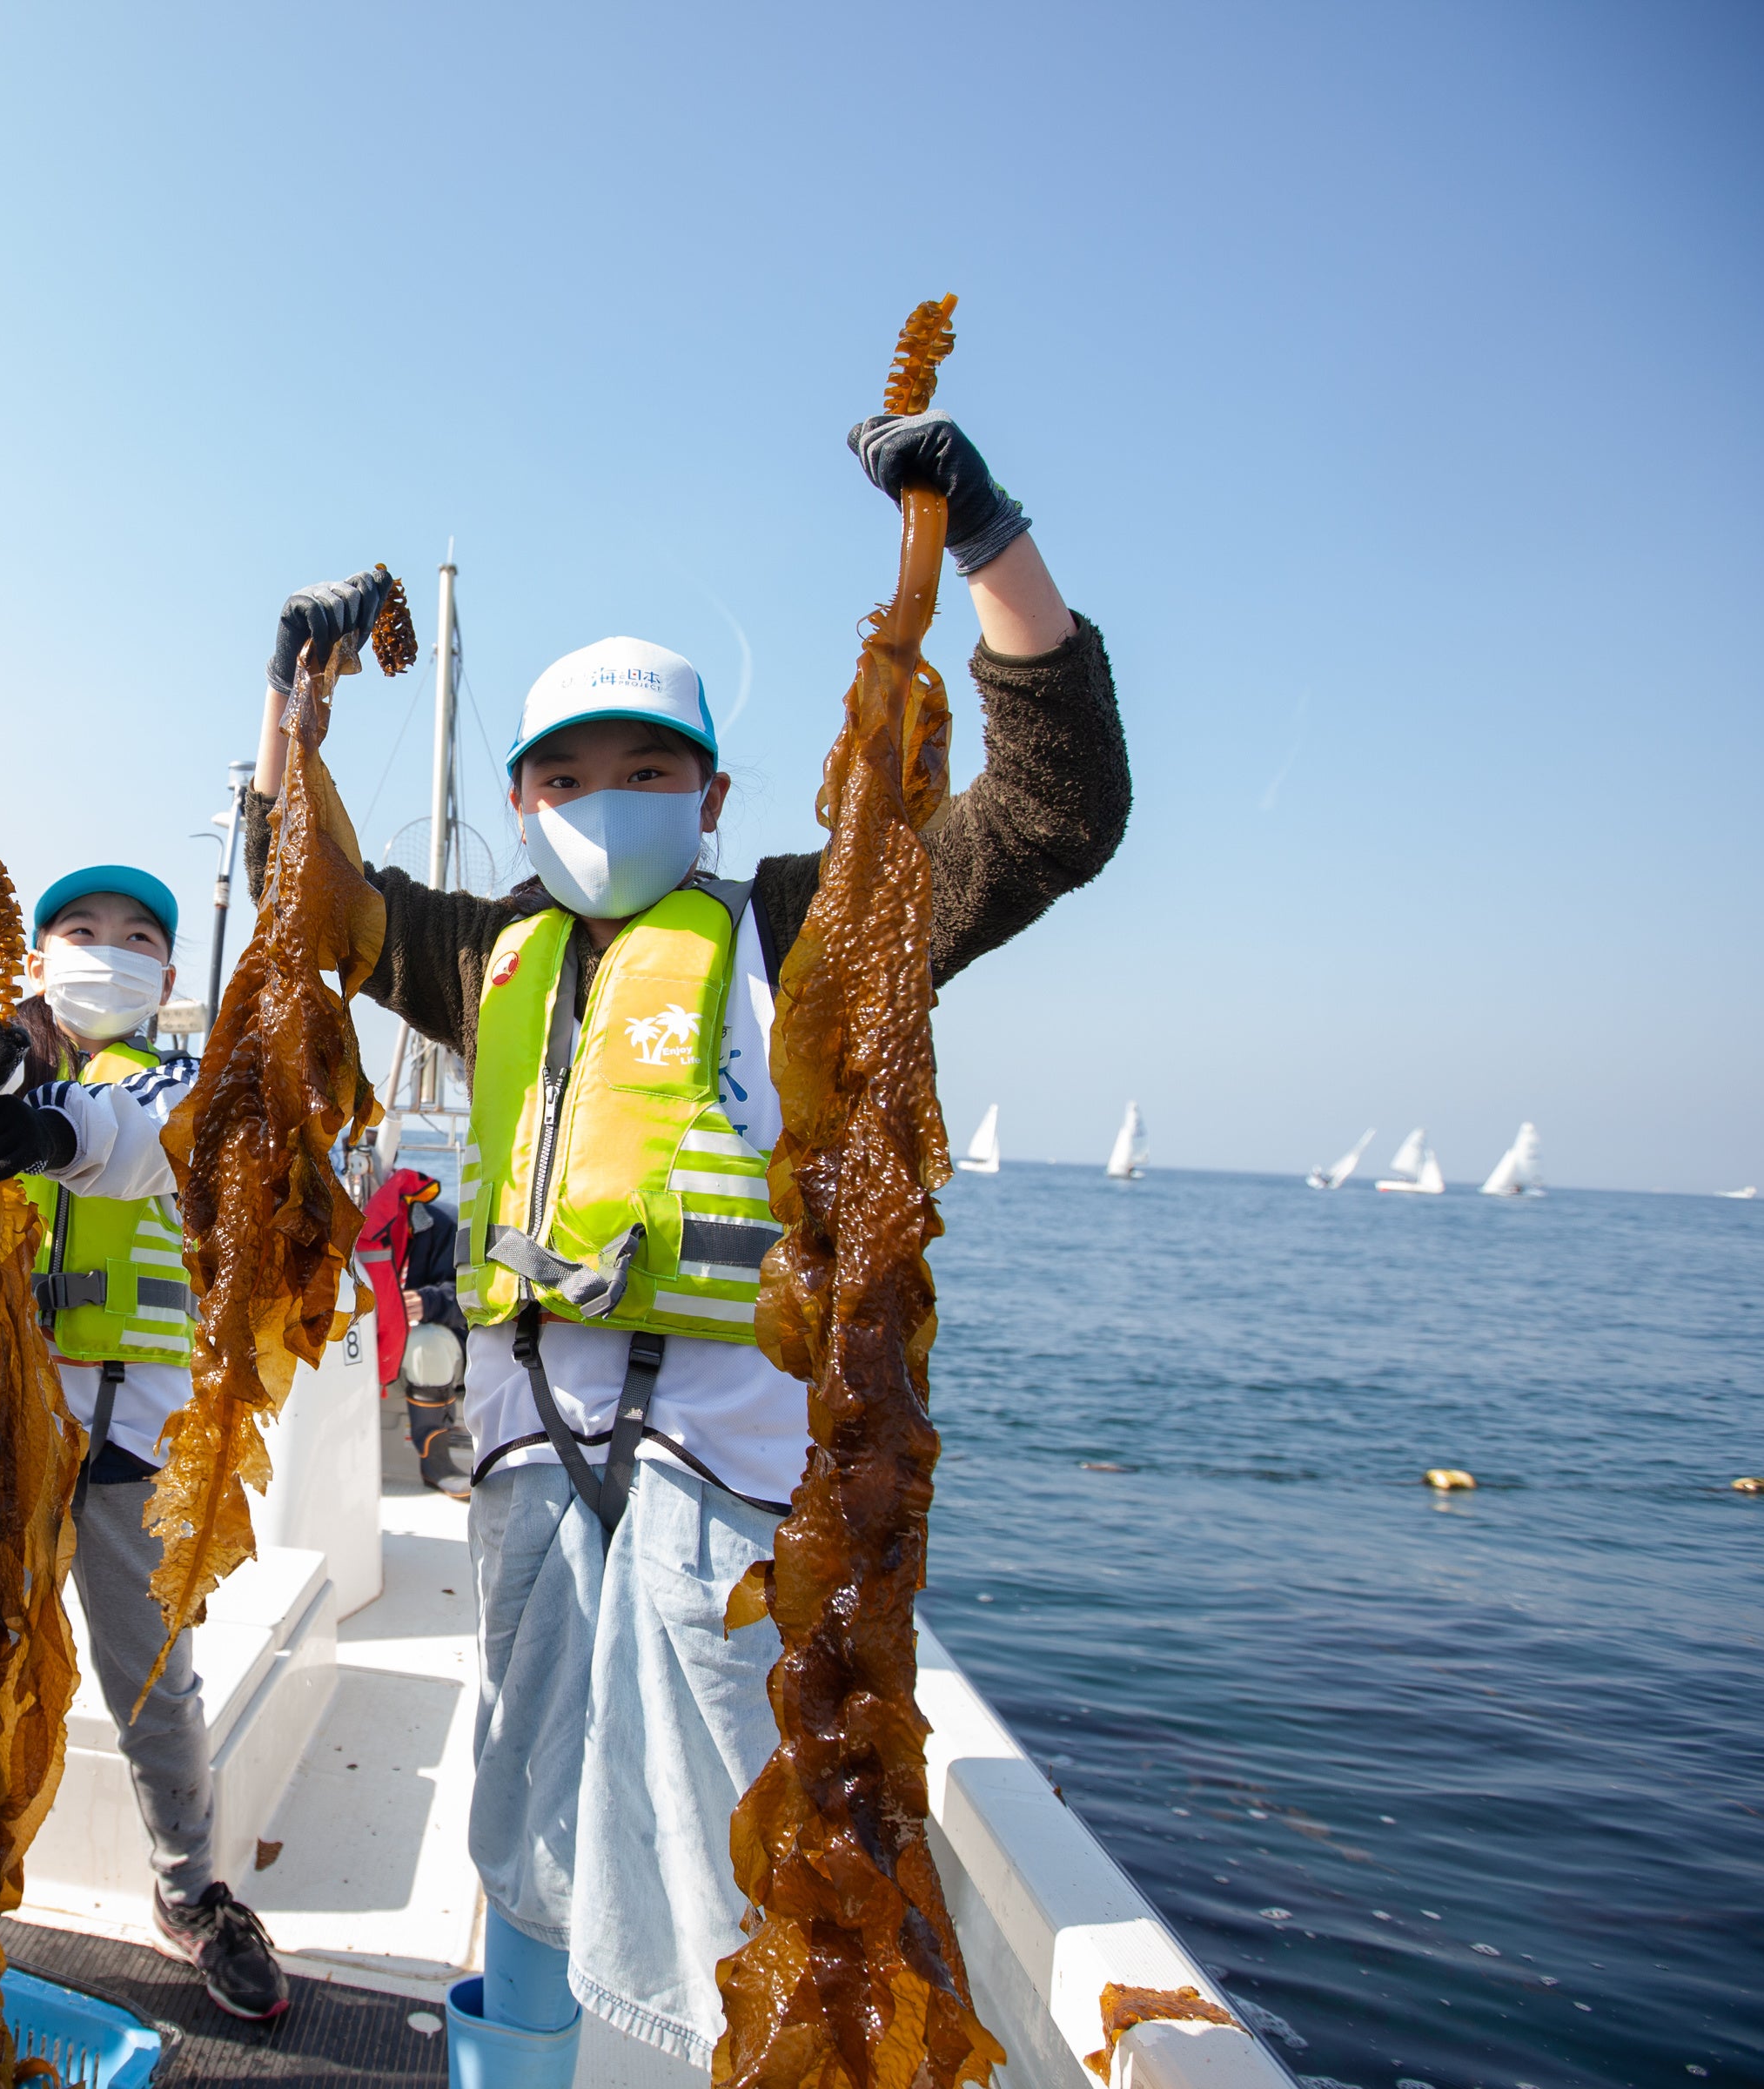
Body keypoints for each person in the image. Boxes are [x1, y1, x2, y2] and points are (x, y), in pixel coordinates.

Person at [243, 411, 1129, 2081]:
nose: (607, 801)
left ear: (712, 795)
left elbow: (1050, 818)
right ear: (521, 800)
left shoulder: (801, 925)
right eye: (569, 775)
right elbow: (310, 900)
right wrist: (295, 705)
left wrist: (988, 543)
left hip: (731, 1493)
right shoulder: (482, 954)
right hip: (525, 1469)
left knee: (741, 1861)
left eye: (648, 771)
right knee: (521, 1826)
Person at [0, 866, 291, 2022]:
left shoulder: (193, 1083)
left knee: (153, 1682)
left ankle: (192, 1890)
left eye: (136, 938)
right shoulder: (3, 1051)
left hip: (133, 1432)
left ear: (166, 979)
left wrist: (42, 1127)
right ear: (38, 957)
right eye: (81, 929)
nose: (107, 949)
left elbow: (140, 1142)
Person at [354, 1167, 470, 1494]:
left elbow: (473, 1296)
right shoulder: (338, 1230)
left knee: (426, 1343)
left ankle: (436, 1463)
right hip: (365, 1345)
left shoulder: (444, 1223)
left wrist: (427, 1302)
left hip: (432, 1347)